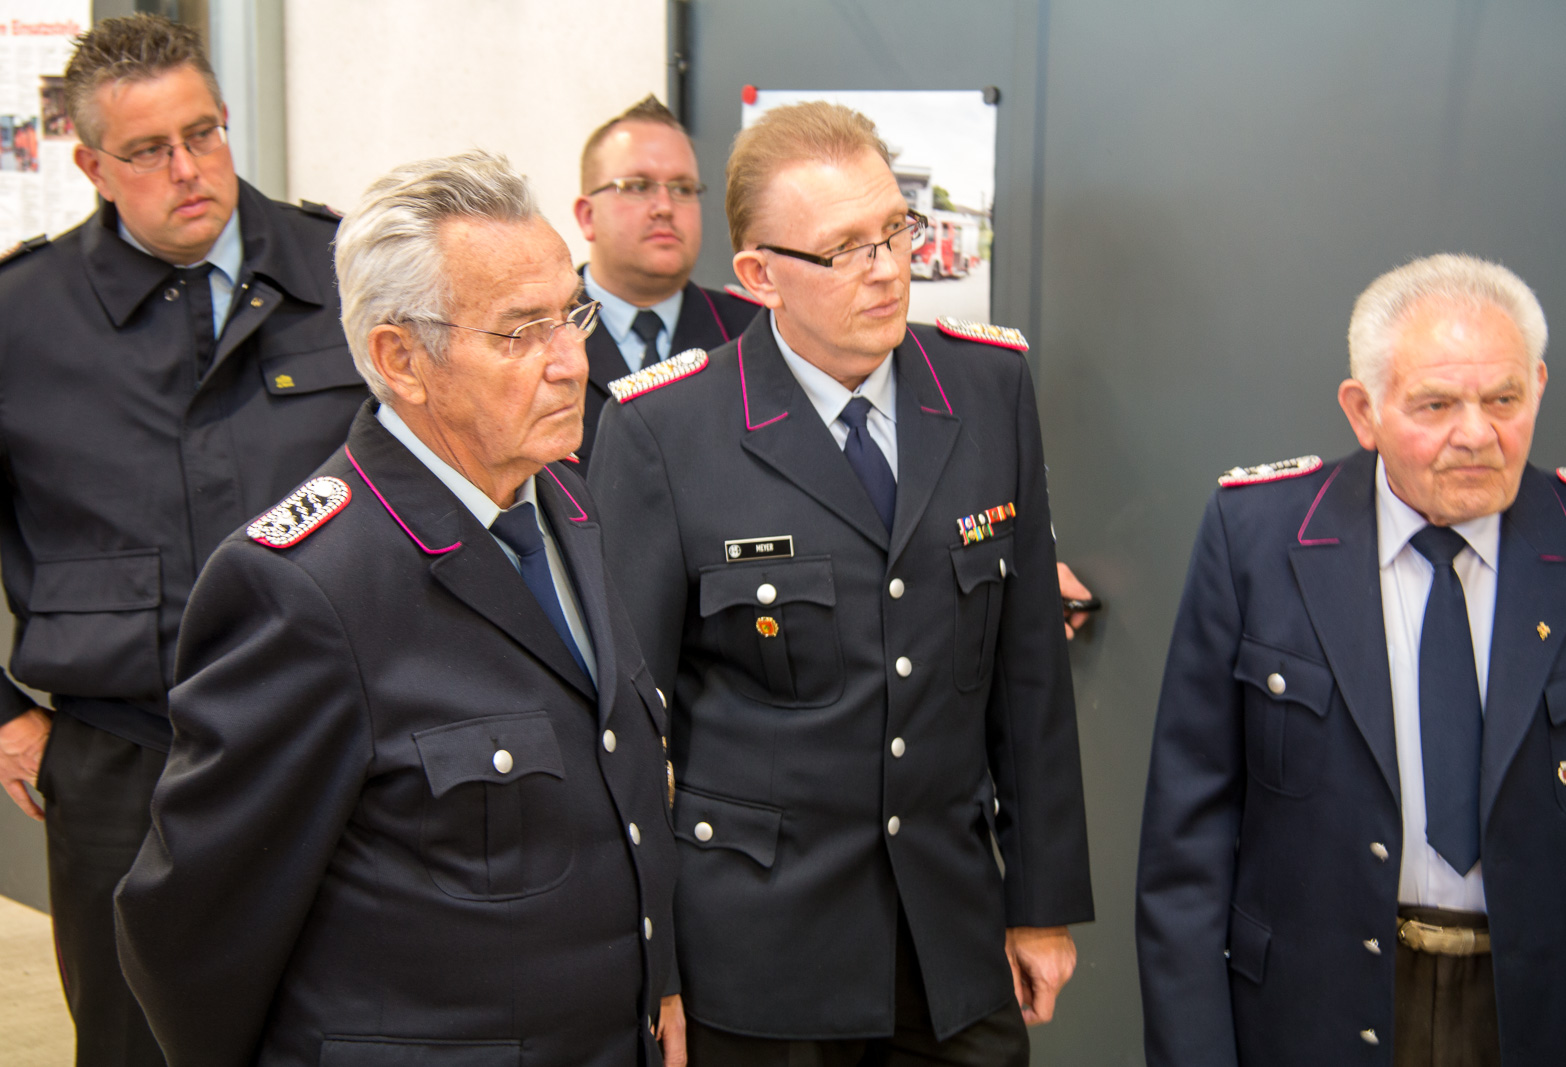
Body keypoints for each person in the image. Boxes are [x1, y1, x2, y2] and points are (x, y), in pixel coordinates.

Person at [114, 150, 683, 1067]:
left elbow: (617, 792)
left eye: (571, 314)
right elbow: (191, 928)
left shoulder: (563, 504)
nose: (571, 362)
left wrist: (656, 984)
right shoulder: (307, 586)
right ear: (400, 360)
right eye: (520, 332)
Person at [588, 101, 1093, 1065]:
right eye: (844, 249)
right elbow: (628, 724)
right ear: (759, 276)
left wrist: (1042, 903)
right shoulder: (665, 431)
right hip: (755, 957)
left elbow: (1029, 676)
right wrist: (655, 966)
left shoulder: (988, 389)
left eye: (895, 230)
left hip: (949, 937)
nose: (889, 268)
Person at [0, 15, 366, 1064]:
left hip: (338, 737)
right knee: (134, 1035)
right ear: (90, 166)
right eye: (149, 150)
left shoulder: (347, 269)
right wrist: (6, 716)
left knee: (346, 1024)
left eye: (204, 134)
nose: (190, 169)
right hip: (122, 756)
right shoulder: (21, 318)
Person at [1135, 253, 1566, 1066]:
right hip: (1316, 1011)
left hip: (1544, 1014)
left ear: (1537, 388)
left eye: (1503, 399)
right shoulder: (1259, 538)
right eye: (1436, 404)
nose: (1477, 434)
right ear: (1364, 410)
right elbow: (1188, 842)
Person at [570, 95, 762, 470]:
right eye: (637, 186)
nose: (664, 207)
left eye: (683, 188)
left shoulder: (754, 333)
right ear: (587, 216)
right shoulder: (537, 338)